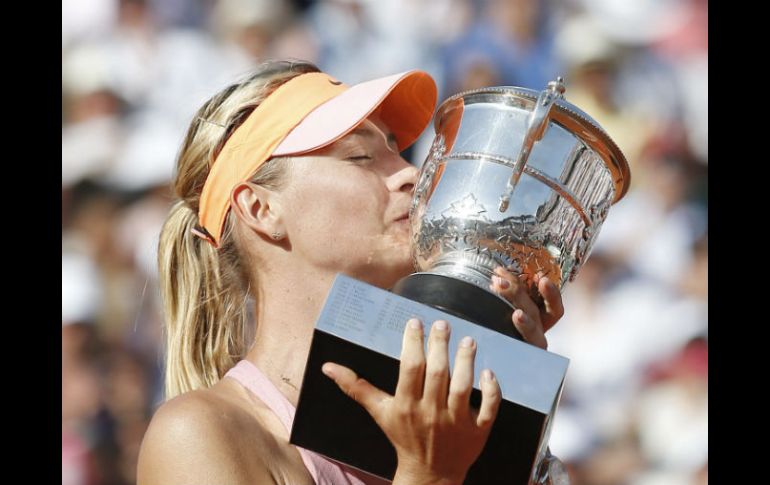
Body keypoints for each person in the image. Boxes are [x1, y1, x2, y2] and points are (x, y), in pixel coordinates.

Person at [136, 60, 565, 485]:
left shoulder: (449, 430)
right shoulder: (198, 434)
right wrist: (429, 476)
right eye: (360, 156)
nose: (411, 174)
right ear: (261, 209)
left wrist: (516, 419)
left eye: (397, 150)